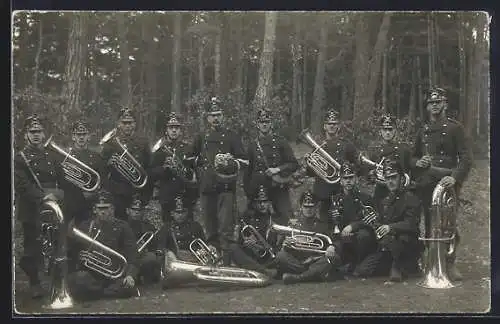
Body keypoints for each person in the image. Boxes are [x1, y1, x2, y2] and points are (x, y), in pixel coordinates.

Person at [411, 87, 473, 281]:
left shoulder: (455, 128)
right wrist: (417, 162)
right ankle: (432, 261)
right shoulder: (423, 131)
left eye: (438, 102)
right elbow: (413, 156)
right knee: (430, 221)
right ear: (427, 107)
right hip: (427, 180)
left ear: (445, 104)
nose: (435, 105)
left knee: (448, 222)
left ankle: (449, 261)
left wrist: (455, 177)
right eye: (431, 103)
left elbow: (466, 158)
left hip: (447, 180)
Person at [186, 97, 248, 266]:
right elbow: (189, 158)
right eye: (212, 115)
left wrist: (231, 161)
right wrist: (198, 163)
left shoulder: (231, 136)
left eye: (218, 114)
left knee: (226, 228)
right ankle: (214, 263)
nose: (216, 118)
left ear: (223, 116)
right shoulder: (201, 137)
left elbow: (245, 161)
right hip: (207, 187)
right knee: (210, 228)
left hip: (226, 188)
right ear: (207, 118)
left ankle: (227, 265)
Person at [14, 114, 66, 298]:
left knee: (55, 244)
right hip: (31, 208)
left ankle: (55, 282)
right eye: (32, 132)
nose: (36, 135)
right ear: (26, 135)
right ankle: (34, 282)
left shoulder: (51, 155)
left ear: (44, 134)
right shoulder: (20, 158)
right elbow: (22, 185)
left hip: (53, 207)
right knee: (32, 247)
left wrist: (59, 195)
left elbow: (62, 180)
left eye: (39, 131)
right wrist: (45, 196)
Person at [67, 190, 139, 301]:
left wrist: (130, 275)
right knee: (78, 279)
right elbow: (74, 251)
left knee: (126, 286)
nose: (103, 212)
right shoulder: (85, 226)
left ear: (112, 209)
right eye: (100, 208)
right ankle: (105, 292)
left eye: (106, 208)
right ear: (94, 210)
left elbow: (132, 254)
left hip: (114, 275)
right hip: (91, 275)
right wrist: (80, 257)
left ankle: (95, 293)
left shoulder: (123, 227)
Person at [359, 160, 422, 282]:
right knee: (362, 271)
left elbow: (411, 224)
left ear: (402, 179)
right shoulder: (385, 200)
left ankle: (403, 265)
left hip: (407, 244)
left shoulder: (411, 197)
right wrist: (373, 223)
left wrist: (390, 228)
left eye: (394, 177)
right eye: (387, 178)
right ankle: (401, 266)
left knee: (403, 238)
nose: (390, 181)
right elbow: (381, 223)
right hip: (388, 245)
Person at [244, 109, 299, 226]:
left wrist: (278, 169)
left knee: (286, 221)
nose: (264, 124)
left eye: (267, 122)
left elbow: (293, 164)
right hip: (259, 191)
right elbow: (247, 171)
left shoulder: (281, 142)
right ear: (257, 124)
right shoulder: (252, 145)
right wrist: (249, 193)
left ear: (271, 123)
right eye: (262, 122)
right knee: (256, 222)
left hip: (278, 189)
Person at [274, 190, 342, 285]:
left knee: (331, 259)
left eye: (311, 207)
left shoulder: (323, 224)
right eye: (306, 206)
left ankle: (298, 278)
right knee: (280, 256)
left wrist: (332, 246)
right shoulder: (293, 224)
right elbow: (281, 246)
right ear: (301, 207)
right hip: (298, 262)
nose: (308, 210)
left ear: (316, 207)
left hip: (316, 260)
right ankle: (313, 274)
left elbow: (336, 240)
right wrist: (286, 244)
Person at [304, 109, 359, 225]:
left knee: (344, 221)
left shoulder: (346, 145)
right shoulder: (318, 146)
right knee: (324, 223)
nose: (332, 126)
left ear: (338, 126)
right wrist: (308, 163)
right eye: (329, 124)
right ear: (324, 126)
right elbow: (311, 173)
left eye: (334, 124)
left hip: (341, 190)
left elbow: (357, 164)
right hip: (323, 191)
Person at [100, 108, 152, 220]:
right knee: (119, 223)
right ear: (118, 124)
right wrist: (109, 163)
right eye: (124, 123)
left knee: (136, 224)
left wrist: (146, 195)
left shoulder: (143, 142)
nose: (127, 126)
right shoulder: (110, 144)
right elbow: (101, 169)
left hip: (137, 192)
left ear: (135, 124)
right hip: (117, 192)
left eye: (130, 123)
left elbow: (149, 168)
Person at [329, 162, 379, 277]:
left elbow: (372, 220)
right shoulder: (335, 199)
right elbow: (332, 223)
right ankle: (346, 263)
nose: (348, 181)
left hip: (361, 240)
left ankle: (357, 263)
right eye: (345, 178)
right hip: (343, 238)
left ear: (356, 179)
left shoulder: (365, 198)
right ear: (340, 181)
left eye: (351, 178)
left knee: (363, 235)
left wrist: (353, 226)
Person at [149, 112, 198, 223]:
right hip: (167, 195)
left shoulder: (188, 149)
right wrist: (164, 169)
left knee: (188, 227)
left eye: (177, 128)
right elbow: (152, 172)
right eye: (171, 128)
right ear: (166, 130)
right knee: (167, 228)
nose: (174, 130)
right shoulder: (160, 150)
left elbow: (194, 172)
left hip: (185, 194)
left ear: (180, 130)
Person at [229, 185, 279, 278]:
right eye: (259, 202)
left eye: (265, 202)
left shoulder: (274, 219)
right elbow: (240, 242)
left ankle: (255, 271)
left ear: (269, 203)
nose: (262, 205)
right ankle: (264, 272)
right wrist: (247, 243)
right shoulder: (247, 218)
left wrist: (258, 246)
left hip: (268, 259)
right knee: (232, 247)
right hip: (250, 258)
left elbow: (274, 247)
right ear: (254, 203)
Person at [64, 119, 106, 226]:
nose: (81, 137)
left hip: (90, 203)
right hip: (71, 203)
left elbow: (102, 179)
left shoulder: (96, 157)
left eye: (84, 134)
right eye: (78, 135)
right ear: (73, 137)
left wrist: (94, 193)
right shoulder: (65, 157)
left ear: (89, 136)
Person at [363, 114, 412, 202]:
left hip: (399, 192)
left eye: (390, 129)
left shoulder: (404, 149)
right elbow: (368, 176)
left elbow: (408, 171)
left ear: (395, 131)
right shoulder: (374, 150)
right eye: (385, 129)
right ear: (380, 131)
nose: (387, 132)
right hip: (381, 191)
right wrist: (372, 174)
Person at [157, 195, 208, 265]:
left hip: (195, 260)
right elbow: (160, 247)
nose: (180, 215)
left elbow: (204, 245)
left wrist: (203, 251)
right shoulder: (166, 227)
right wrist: (168, 252)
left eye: (183, 212)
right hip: (175, 261)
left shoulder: (195, 226)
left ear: (187, 212)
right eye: (177, 212)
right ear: (172, 213)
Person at [126, 195, 162, 285]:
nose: (137, 212)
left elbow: (155, 246)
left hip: (142, 257)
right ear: (127, 211)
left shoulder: (148, 226)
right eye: (134, 210)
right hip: (126, 257)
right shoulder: (122, 225)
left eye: (139, 210)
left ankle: (148, 280)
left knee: (151, 257)